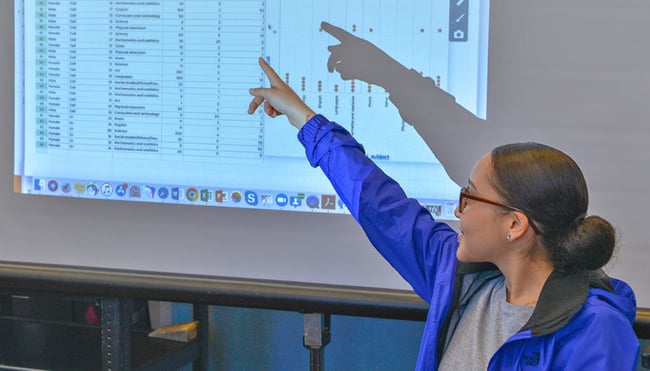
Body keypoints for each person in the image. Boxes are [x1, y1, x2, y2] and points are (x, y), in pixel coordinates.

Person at [247, 57, 640, 369]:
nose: (458, 209)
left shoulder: (596, 330)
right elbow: (379, 204)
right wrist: (305, 119)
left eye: (470, 196)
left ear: (515, 225)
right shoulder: (460, 278)